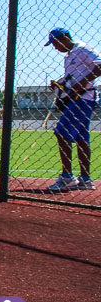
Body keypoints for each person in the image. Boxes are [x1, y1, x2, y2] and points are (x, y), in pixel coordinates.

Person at [44, 28, 101, 191]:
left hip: (83, 98)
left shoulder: (82, 49)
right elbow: (72, 79)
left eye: (55, 43)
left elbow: (99, 66)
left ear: (64, 38)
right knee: (82, 138)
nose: (55, 47)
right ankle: (85, 179)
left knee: (61, 132)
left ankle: (67, 176)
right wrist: (60, 85)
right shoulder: (68, 57)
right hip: (77, 99)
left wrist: (82, 83)